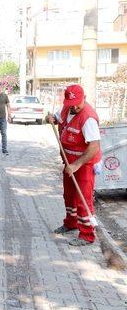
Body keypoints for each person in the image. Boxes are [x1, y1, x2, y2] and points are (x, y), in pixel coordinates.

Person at [47, 84, 101, 246]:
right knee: (69, 195)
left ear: (84, 98)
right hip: (69, 161)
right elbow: (57, 118)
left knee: (83, 199)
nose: (75, 106)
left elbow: (94, 147)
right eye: (71, 103)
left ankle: (87, 235)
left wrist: (76, 165)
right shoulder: (66, 108)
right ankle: (71, 223)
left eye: (78, 102)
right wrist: (50, 119)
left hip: (84, 164)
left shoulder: (88, 118)